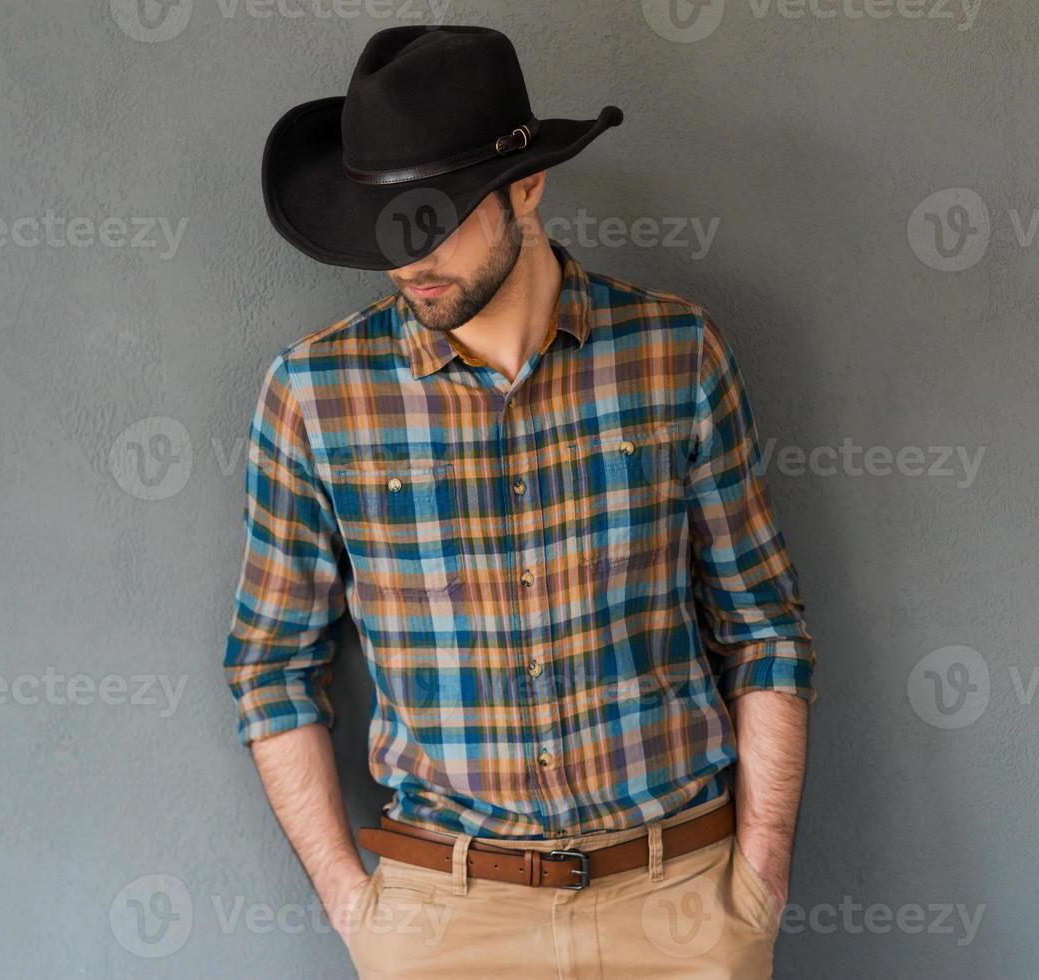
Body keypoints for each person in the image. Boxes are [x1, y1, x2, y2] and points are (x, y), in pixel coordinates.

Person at [226, 24, 816, 978]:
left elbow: (764, 629)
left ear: (527, 187)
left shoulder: (675, 355)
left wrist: (755, 887)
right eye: (384, 224)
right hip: (445, 920)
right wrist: (357, 910)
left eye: (435, 218)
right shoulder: (315, 396)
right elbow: (270, 668)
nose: (405, 262)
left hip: (678, 905)